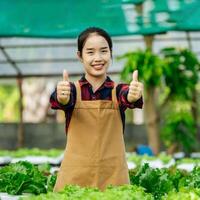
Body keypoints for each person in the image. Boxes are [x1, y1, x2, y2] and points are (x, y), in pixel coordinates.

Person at [50, 27, 143, 191]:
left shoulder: (118, 91)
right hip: (75, 178)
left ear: (111, 53)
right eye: (90, 52)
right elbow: (61, 100)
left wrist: (132, 95)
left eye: (104, 51)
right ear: (80, 56)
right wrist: (61, 97)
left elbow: (127, 97)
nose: (98, 58)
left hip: (113, 176)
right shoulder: (72, 91)